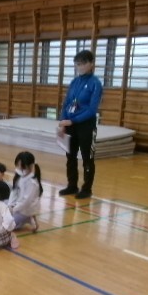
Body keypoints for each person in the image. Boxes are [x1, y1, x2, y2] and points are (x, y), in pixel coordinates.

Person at [57, 49, 103, 199]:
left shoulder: (95, 83)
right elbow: (66, 103)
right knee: (70, 156)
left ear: (91, 64)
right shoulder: (74, 82)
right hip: (70, 124)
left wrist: (73, 120)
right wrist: (63, 122)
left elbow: (92, 109)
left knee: (87, 157)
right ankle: (72, 185)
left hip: (86, 125)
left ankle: (87, 188)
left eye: (83, 64)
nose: (80, 67)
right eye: (77, 64)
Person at [8, 151, 42, 232]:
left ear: (30, 166)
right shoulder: (19, 176)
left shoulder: (32, 182)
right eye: (18, 165)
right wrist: (10, 205)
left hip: (25, 210)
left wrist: (13, 209)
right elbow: (14, 192)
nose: (19, 168)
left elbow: (26, 202)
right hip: (18, 206)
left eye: (22, 166)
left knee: (7, 226)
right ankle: (24, 219)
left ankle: (28, 218)